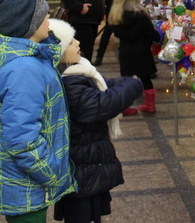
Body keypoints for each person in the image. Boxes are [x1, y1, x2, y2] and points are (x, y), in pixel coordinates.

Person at [0, 0, 76, 222]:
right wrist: (51, 172)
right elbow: (22, 139)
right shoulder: (24, 70)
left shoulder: (30, 61)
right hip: (25, 187)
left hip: (24, 184)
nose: (48, 19)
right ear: (27, 24)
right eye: (42, 14)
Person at [48, 19, 143, 223]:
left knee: (90, 214)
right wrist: (134, 84)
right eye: (71, 41)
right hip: (80, 166)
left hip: (85, 161)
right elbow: (102, 104)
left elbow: (102, 85)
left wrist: (125, 83)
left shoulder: (77, 72)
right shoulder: (69, 82)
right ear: (60, 51)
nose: (78, 43)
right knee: (81, 215)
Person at [108, 0, 161, 113]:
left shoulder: (116, 16)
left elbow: (118, 34)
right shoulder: (141, 14)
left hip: (126, 50)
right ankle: (150, 105)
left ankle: (125, 107)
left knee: (126, 79)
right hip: (142, 50)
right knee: (146, 78)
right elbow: (151, 34)